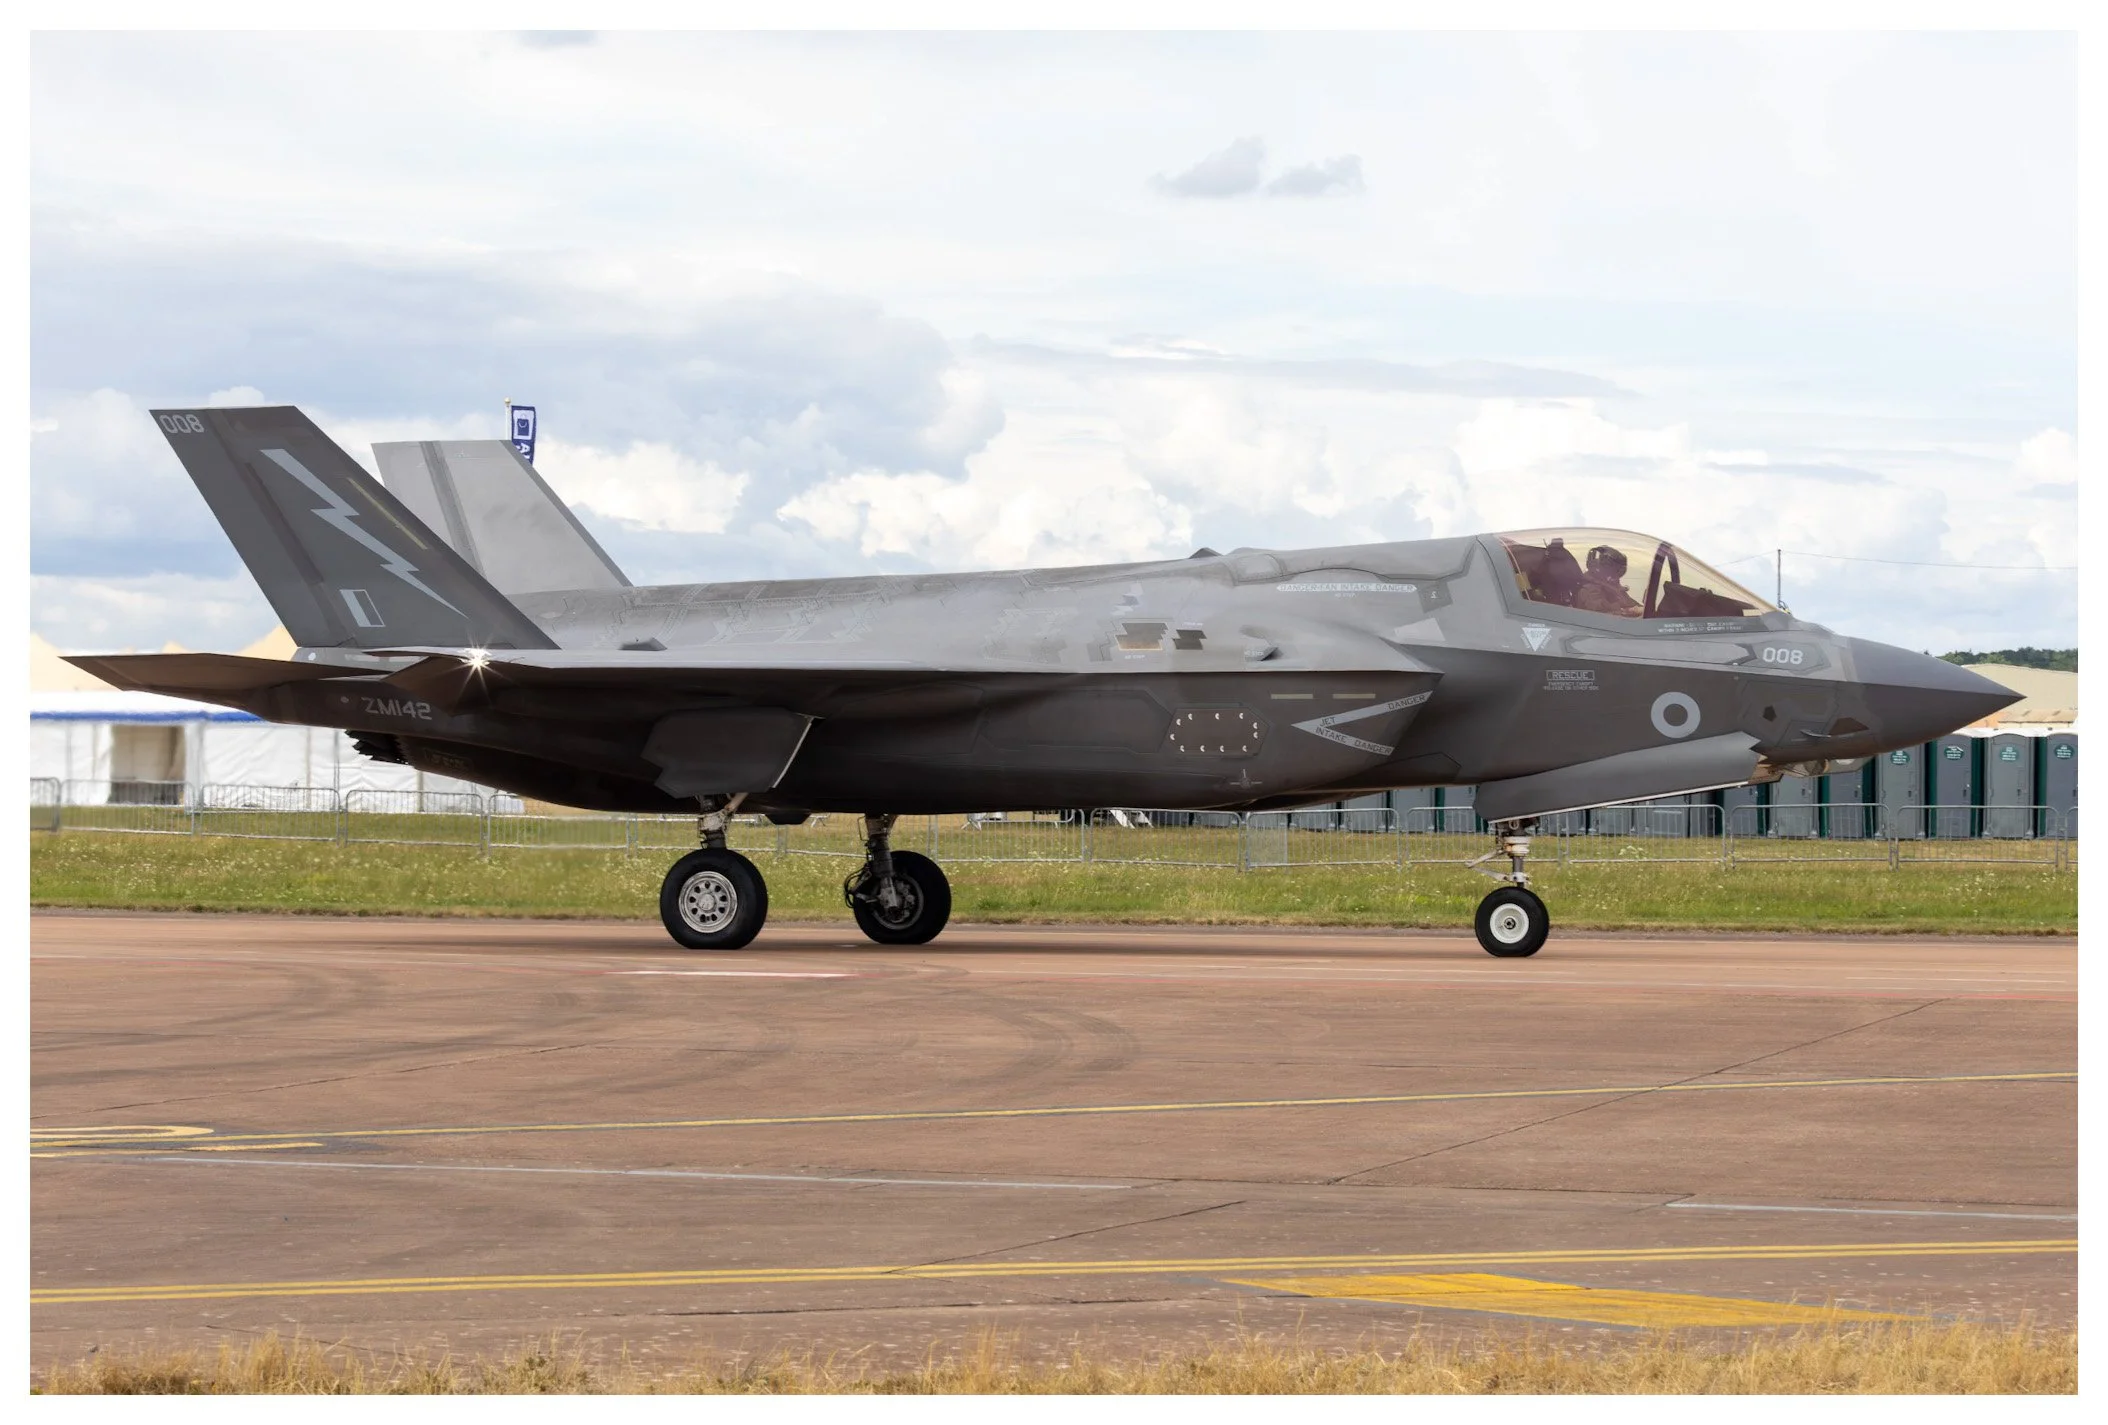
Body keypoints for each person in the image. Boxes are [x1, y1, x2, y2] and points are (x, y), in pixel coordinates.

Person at [1572, 544, 1641, 617]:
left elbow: (1629, 603)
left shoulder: (1611, 586)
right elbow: (1601, 617)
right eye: (1615, 569)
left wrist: (1641, 609)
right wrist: (1629, 611)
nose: (1617, 575)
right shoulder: (1589, 590)